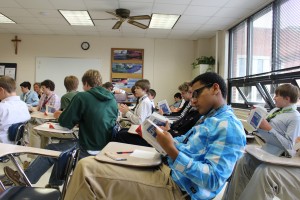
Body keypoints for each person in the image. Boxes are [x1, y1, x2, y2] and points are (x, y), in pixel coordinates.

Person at [64, 72, 246, 200]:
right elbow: (185, 144)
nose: (193, 100)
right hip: (167, 170)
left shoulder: (229, 126)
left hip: (178, 188)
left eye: (196, 93)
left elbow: (213, 180)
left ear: (215, 89)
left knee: (86, 169)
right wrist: (165, 139)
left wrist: (171, 150)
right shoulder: (211, 119)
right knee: (99, 160)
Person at [4, 69, 118, 188]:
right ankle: (54, 184)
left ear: (86, 84)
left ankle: (24, 178)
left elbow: (65, 123)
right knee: (63, 148)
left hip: (88, 147)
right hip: (106, 148)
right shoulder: (112, 99)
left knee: (52, 149)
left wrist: (60, 115)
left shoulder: (83, 96)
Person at [224, 83, 300, 200]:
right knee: (242, 161)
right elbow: (263, 129)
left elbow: (290, 146)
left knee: (262, 171)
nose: (274, 98)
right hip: (266, 149)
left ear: (287, 98)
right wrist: (255, 120)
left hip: (279, 156)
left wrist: (269, 128)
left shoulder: (295, 117)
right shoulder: (276, 110)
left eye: (277, 96)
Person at [28, 79, 61, 149]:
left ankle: (35, 152)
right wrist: (31, 108)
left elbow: (53, 114)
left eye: (43, 88)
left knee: (33, 127)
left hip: (50, 119)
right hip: (42, 117)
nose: (42, 90)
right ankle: (37, 150)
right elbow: (38, 107)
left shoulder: (55, 98)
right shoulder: (43, 96)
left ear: (48, 88)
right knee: (30, 121)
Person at [0, 76, 31, 144]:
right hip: (16, 145)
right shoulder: (24, 105)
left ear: (1, 90)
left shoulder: (2, 107)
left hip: (3, 146)